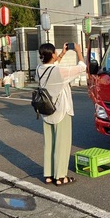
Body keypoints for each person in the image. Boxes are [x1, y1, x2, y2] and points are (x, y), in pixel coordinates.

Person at [36, 42, 86, 186]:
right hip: (61, 110)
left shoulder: (39, 69)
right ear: (52, 55)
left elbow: (51, 67)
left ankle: (49, 175)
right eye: (56, 52)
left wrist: (62, 54)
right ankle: (60, 177)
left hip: (46, 110)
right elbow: (82, 67)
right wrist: (78, 51)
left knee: (49, 144)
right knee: (62, 144)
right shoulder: (60, 72)